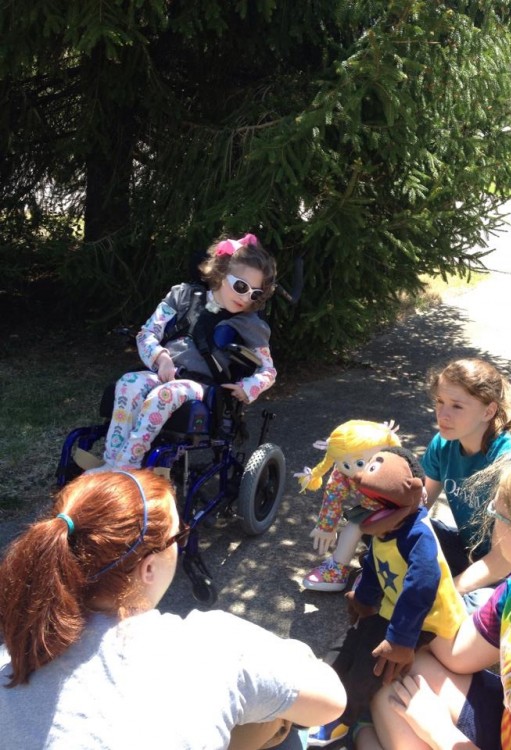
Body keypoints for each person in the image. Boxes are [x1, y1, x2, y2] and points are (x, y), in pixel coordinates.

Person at [0, 470, 347, 750]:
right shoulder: (215, 644)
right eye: (177, 536)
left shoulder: (13, 653)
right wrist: (290, 651)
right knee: (281, 727)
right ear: (148, 568)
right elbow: (331, 703)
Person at [361, 452, 511, 750]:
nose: (491, 518)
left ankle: (365, 738)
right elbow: (459, 652)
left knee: (399, 715)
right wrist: (409, 594)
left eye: (496, 512)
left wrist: (438, 731)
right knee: (394, 676)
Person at [307, 448, 465, 748]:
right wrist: (364, 599)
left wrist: (402, 640)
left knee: (372, 665)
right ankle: (317, 693)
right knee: (345, 647)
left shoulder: (417, 536)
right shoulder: (385, 527)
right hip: (393, 607)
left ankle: (343, 719)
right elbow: (373, 562)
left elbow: (422, 587)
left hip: (426, 619)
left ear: (413, 493)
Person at [84, 233, 277, 472]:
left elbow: (268, 370)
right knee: (129, 382)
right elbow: (147, 334)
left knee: (165, 394)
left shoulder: (250, 323)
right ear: (221, 272)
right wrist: (161, 357)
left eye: (255, 294)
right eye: (241, 286)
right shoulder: (182, 296)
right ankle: (111, 461)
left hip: (203, 386)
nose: (245, 297)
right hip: (166, 371)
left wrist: (248, 387)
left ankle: (126, 467)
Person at [421, 358, 511, 611]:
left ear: (488, 411)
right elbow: (420, 507)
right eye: (440, 402)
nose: (443, 415)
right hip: (468, 552)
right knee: (395, 530)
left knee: (472, 609)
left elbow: (501, 563)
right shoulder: (443, 443)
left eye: (457, 406)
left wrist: (440, 593)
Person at [296, 420, 401, 592]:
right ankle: (338, 567)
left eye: (360, 463)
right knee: (352, 528)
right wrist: (326, 527)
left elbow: (412, 493)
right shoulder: (342, 473)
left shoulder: (397, 468)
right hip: (369, 511)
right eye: (345, 465)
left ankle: (376, 572)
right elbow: (334, 496)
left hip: (398, 514)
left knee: (392, 540)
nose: (354, 471)